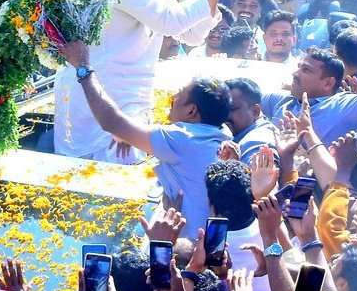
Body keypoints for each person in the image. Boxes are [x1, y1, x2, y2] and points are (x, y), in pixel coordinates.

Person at [52, 0, 234, 162]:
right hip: (97, 91)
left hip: (133, 96)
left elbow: (191, 35)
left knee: (125, 172)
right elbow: (169, 22)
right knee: (91, 175)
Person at [57, 34, 231, 233]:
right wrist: (132, 134)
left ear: (192, 111)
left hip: (184, 246)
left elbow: (110, 121)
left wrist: (83, 67)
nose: (172, 97)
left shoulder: (183, 139)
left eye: (179, 95)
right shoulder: (220, 133)